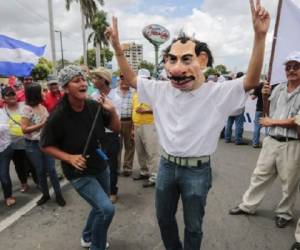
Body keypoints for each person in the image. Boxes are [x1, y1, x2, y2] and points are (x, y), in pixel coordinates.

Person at [105, 1, 270, 248]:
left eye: (185, 59)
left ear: (202, 61)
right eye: (171, 60)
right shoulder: (160, 89)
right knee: (163, 218)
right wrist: (118, 48)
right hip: (167, 166)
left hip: (197, 171)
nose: (177, 68)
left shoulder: (217, 93)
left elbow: (251, 81)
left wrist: (259, 36)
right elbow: (130, 78)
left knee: (194, 225)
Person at [40, 65, 120, 250]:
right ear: (65, 88)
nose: (83, 83)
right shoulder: (58, 116)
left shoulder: (94, 106)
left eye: (83, 79)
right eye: (77, 81)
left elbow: (115, 128)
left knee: (101, 205)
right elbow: (44, 145)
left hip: (100, 165)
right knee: (106, 209)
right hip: (79, 171)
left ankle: (86, 236)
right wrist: (68, 157)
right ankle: (96, 245)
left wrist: (112, 110)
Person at [229, 51, 300, 229]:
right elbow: (268, 112)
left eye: (296, 67)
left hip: (292, 143)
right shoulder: (280, 88)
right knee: (260, 176)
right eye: (288, 67)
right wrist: (264, 96)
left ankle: (284, 213)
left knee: (289, 183)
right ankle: (248, 205)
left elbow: (297, 119)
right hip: (272, 140)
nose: (291, 70)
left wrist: (272, 121)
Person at [21, 83, 66, 207]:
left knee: (51, 170)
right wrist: (42, 124)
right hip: (33, 145)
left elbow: (48, 123)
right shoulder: (27, 109)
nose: (43, 93)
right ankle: (45, 195)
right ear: (34, 94)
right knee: (40, 171)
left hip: (46, 142)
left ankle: (58, 194)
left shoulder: (42, 107)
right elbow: (24, 129)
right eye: (41, 91)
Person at [90, 67, 121, 204]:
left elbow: (115, 123)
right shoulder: (93, 96)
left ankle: (112, 191)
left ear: (104, 80)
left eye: (96, 78)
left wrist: (105, 109)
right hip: (96, 137)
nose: (93, 81)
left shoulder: (115, 97)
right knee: (98, 164)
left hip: (110, 137)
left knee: (111, 165)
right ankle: (102, 189)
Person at [2, 87, 37, 193]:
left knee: (33, 163)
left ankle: (38, 181)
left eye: (13, 94)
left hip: (29, 141)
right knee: (19, 166)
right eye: (8, 95)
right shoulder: (2, 111)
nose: (12, 96)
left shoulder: (24, 106)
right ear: (4, 98)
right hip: (13, 144)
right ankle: (24, 183)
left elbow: (34, 118)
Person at [132, 69, 159, 188]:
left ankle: (154, 176)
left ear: (148, 81)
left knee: (151, 151)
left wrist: (147, 110)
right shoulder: (135, 94)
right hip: (137, 124)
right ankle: (144, 172)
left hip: (149, 125)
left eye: (144, 80)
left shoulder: (153, 94)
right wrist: (133, 128)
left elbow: (161, 109)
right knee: (140, 151)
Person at [116, 74, 135, 176]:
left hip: (129, 121)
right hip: (116, 121)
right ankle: (116, 168)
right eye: (122, 80)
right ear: (119, 81)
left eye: (126, 80)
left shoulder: (133, 93)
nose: (124, 82)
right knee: (116, 146)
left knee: (130, 146)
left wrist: (133, 127)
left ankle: (127, 168)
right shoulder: (114, 92)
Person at [224, 72, 247, 145]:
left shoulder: (231, 83)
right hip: (239, 106)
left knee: (229, 123)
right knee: (239, 124)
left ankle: (227, 138)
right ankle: (238, 140)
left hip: (231, 106)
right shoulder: (243, 84)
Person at [251, 82, 264, 147]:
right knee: (268, 128)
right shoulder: (273, 85)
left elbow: (253, 97)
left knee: (257, 127)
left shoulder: (260, 85)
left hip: (259, 109)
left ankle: (255, 143)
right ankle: (267, 145)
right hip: (269, 109)